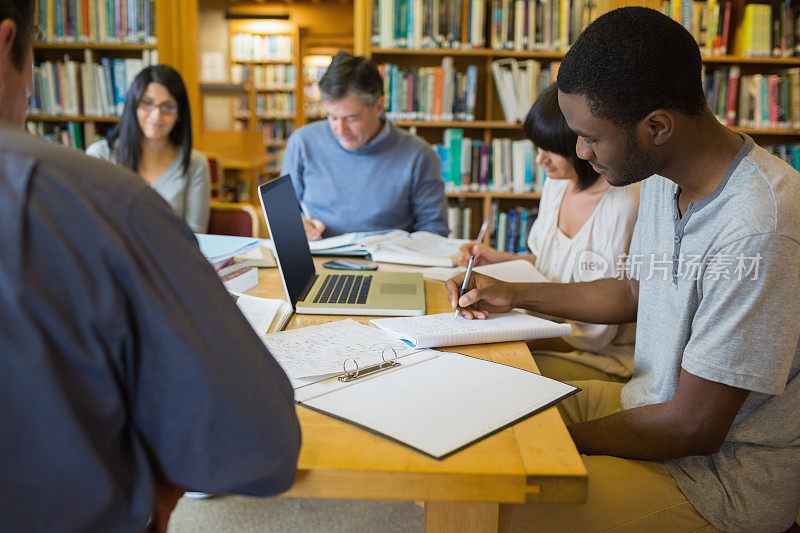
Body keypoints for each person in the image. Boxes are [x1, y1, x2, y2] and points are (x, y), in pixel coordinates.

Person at [446, 7, 800, 532]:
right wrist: (514, 294)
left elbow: (692, 428)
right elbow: (635, 290)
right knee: (479, 411)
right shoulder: (661, 169)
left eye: (590, 137)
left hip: (717, 480)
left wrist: (560, 444)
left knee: (493, 507)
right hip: (647, 405)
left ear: (657, 126)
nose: (582, 154)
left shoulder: (759, 228)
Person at [0, 2, 301, 531]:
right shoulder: (107, 195)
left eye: (167, 107)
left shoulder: (172, 172)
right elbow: (265, 444)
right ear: (6, 47)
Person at [454, 83, 639, 382]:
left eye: (552, 150)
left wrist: (518, 333)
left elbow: (595, 334)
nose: (540, 160)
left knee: (488, 373)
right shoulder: (557, 183)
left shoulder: (623, 204)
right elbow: (552, 264)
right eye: (538, 147)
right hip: (549, 332)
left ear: (584, 145)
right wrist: (499, 259)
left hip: (596, 355)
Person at [281, 50, 448, 240]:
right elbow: (284, 216)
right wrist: (298, 227)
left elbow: (435, 231)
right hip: (318, 259)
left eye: (351, 118)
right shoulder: (303, 142)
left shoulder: (419, 155)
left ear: (378, 107)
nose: (340, 129)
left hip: (389, 263)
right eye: (332, 117)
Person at [86, 64, 211, 234]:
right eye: (147, 103)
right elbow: (92, 228)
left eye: (168, 107)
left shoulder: (195, 164)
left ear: (180, 113)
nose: (156, 116)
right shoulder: (100, 156)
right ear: (133, 105)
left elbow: (196, 238)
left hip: (171, 259)